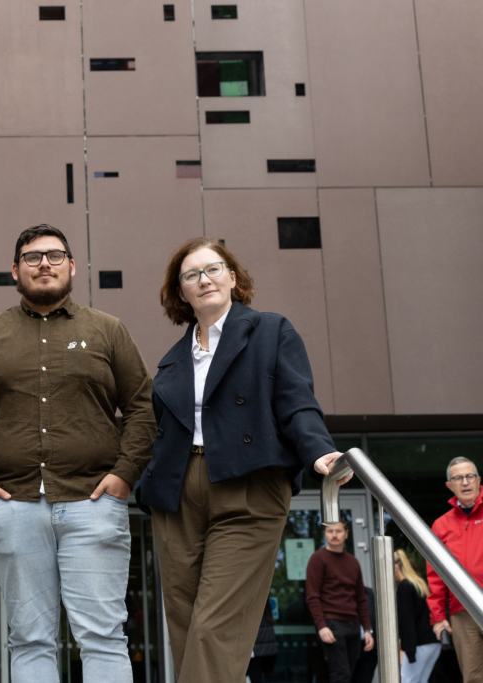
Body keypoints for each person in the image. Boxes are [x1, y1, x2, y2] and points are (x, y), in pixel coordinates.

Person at [137, 237, 349, 683]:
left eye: (213, 269)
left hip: (247, 483)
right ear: (181, 293)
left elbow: (296, 401)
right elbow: (157, 431)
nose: (204, 279)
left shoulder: (271, 330)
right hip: (176, 493)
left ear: (233, 278)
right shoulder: (173, 361)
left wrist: (318, 448)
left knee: (216, 625)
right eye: (191, 275)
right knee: (185, 624)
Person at [0, 224, 155, 681]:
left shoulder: (108, 330)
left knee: (102, 636)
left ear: (72, 266)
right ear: (15, 271)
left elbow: (143, 408)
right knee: (29, 638)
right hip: (11, 506)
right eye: (32, 257)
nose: (44, 263)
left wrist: (124, 476)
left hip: (94, 504)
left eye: (55, 255)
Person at [427, 456, 483, 682]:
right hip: (463, 611)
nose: (465, 482)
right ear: (450, 486)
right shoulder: (441, 525)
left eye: (470, 476)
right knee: (472, 677)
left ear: (479, 480)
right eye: (458, 478)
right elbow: (436, 576)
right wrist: (439, 616)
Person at [305, 521, 374, 683]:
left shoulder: (353, 562)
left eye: (338, 531)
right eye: (330, 531)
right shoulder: (318, 558)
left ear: (346, 534)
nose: (334, 535)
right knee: (340, 675)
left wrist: (367, 629)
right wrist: (321, 626)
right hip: (332, 624)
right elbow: (312, 595)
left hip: (353, 625)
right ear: (325, 534)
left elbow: (361, 598)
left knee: (348, 673)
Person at [394, 549, 441, 683]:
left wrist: (408, 649)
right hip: (432, 642)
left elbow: (407, 620)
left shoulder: (404, 587)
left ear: (396, 567)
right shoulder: (419, 584)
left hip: (419, 644)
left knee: (407, 679)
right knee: (420, 680)